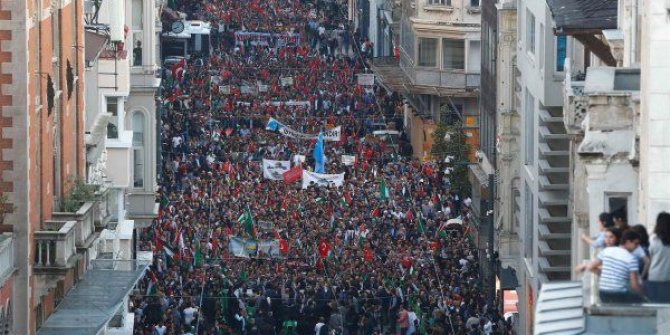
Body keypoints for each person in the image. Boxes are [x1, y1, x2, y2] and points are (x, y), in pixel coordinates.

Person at [576, 230, 645, 303]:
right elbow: (634, 285)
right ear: (627, 242)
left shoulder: (607, 251)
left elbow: (590, 267)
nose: (637, 247)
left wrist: (605, 273)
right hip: (620, 294)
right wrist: (643, 295)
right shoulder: (631, 259)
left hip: (603, 292)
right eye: (636, 244)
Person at [647, 212, 670, 302]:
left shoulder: (654, 239)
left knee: (655, 303)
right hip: (668, 277)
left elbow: (649, 259)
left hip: (655, 276)